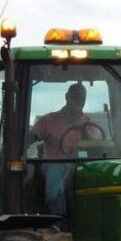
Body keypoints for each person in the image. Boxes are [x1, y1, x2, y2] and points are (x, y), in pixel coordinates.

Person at [30, 83, 98, 215]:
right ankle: (57, 218)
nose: (79, 102)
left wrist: (83, 129)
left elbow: (96, 145)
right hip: (54, 164)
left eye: (82, 99)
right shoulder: (49, 120)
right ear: (67, 97)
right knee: (55, 171)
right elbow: (30, 138)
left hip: (81, 165)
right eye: (76, 98)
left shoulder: (89, 123)